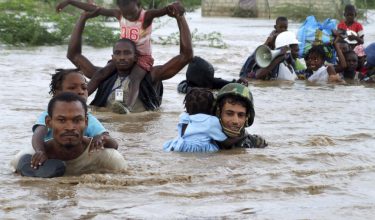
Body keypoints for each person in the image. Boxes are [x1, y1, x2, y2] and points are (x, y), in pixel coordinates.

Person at [56, 0, 185, 109]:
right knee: (99, 75)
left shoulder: (153, 76)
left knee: (135, 80)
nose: (122, 57)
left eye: (126, 53)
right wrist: (75, 7)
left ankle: (127, 107)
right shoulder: (103, 75)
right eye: (118, 53)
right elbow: (95, 10)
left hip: (143, 58)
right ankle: (80, 101)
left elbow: (185, 55)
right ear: (113, 57)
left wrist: (178, 14)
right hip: (110, 121)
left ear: (138, 5)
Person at [11, 92, 127, 177]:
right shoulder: (27, 159)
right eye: (61, 120)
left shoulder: (108, 159)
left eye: (77, 120)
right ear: (49, 122)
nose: (70, 127)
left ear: (86, 122)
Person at [31, 69, 117, 170]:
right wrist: (40, 151)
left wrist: (100, 138)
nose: (80, 91)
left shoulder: (87, 118)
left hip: (77, 158)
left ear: (85, 121)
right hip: (51, 159)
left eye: (84, 87)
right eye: (72, 88)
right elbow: (38, 133)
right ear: (57, 93)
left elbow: (113, 144)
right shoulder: (49, 115)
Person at [163, 88, 240, 152]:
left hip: (180, 146)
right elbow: (225, 142)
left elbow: (183, 134)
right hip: (202, 149)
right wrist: (241, 136)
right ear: (211, 108)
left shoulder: (184, 116)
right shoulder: (212, 121)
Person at [214, 83, 267, 149]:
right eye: (229, 114)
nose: (235, 121)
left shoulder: (257, 144)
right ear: (218, 113)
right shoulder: (204, 142)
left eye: (241, 115)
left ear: (247, 117)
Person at [177, 56, 248, 94]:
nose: (210, 81)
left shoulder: (209, 81)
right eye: (207, 79)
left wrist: (236, 83)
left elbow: (220, 83)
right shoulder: (183, 86)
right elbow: (194, 91)